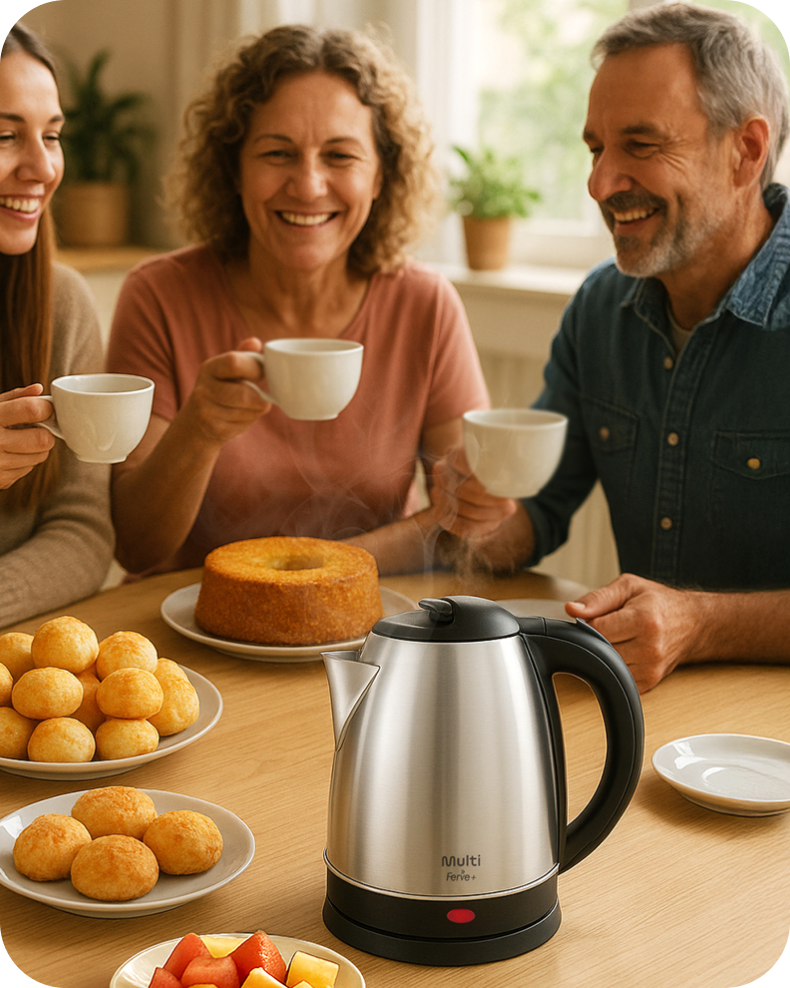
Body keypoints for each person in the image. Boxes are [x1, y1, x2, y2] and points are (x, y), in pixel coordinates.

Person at [431, 2, 790, 692]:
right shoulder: (600, 308)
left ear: (745, 151)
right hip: (640, 710)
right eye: (597, 148)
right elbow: (534, 515)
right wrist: (480, 515)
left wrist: (702, 623)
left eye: (642, 145)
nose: (600, 184)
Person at [106, 24, 488, 578]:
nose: (308, 186)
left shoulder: (426, 306)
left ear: (382, 175)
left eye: (340, 156)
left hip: (363, 629)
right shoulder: (159, 295)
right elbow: (136, 548)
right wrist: (200, 430)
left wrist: (311, 574)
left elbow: (459, 521)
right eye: (277, 153)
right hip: (192, 638)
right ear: (233, 169)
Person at [0, 22, 113, 628]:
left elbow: (83, 530)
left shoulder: (61, 302)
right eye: (4, 136)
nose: (42, 168)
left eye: (52, 135)